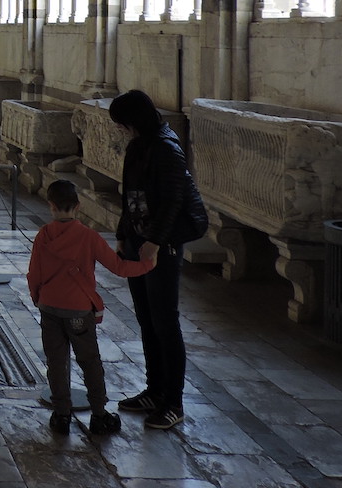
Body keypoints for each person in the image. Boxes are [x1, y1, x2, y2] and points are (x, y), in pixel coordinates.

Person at [109, 89, 209, 430]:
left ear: (135, 120)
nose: (122, 130)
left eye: (123, 123)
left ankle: (174, 401)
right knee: (147, 318)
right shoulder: (139, 146)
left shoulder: (167, 148)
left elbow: (172, 202)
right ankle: (154, 390)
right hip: (138, 242)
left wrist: (153, 242)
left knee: (165, 322)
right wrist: (123, 233)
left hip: (160, 247)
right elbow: (131, 196)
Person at [28, 180, 159, 436]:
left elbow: (34, 273)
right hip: (78, 311)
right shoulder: (89, 237)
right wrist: (147, 265)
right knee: (89, 362)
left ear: (51, 205)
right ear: (78, 206)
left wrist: (37, 297)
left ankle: (61, 415)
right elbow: (119, 268)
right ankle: (99, 414)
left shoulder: (43, 235)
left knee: (56, 362)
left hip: (50, 308)